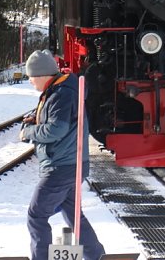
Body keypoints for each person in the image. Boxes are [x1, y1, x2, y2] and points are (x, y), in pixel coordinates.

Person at [19, 50, 105, 260]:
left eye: (31, 78)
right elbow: (54, 120)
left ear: (42, 76)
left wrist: (28, 132)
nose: (30, 82)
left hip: (60, 167)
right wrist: (35, 119)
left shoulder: (61, 93)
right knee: (74, 215)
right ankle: (96, 256)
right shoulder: (60, 89)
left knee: (36, 216)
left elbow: (56, 129)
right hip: (71, 164)